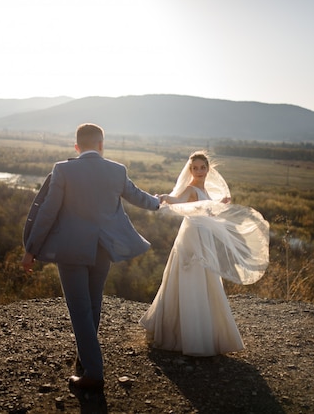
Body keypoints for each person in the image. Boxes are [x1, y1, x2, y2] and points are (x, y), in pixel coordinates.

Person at [22, 123, 161, 390]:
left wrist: (31, 249)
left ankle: (94, 372)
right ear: (101, 145)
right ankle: (87, 356)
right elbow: (139, 197)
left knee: (79, 308)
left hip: (71, 250)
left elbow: (48, 212)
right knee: (93, 304)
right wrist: (159, 201)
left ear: (77, 146)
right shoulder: (117, 170)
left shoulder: (63, 169)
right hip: (104, 249)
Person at [139, 151, 270, 357]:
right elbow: (177, 199)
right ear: (189, 170)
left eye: (202, 168)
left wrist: (220, 205)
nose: (199, 171)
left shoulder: (205, 189)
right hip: (192, 237)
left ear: (208, 169)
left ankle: (205, 333)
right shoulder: (191, 189)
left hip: (204, 236)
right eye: (195, 168)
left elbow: (206, 211)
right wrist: (165, 198)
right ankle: (189, 336)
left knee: (206, 276)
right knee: (191, 276)